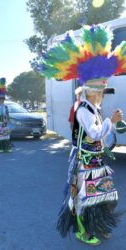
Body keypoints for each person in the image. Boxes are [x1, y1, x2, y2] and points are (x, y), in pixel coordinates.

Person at [41, 25, 126, 245]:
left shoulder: (94, 109)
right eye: (100, 92)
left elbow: (101, 137)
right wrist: (111, 122)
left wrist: (113, 129)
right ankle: (83, 231)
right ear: (90, 91)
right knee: (83, 199)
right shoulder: (82, 110)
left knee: (105, 196)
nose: (103, 96)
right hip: (84, 164)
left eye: (103, 92)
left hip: (96, 161)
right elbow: (95, 132)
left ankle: (98, 224)